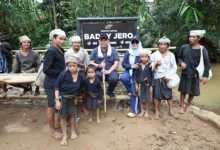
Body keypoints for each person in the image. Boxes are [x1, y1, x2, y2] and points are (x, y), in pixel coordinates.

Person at [178, 30, 211, 113]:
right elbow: (179, 57)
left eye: (193, 37)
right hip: (185, 73)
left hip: (195, 74)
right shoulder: (184, 47)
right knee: (183, 91)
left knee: (192, 91)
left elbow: (207, 63)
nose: (191, 38)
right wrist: (181, 63)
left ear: (198, 38)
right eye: (190, 36)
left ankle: (188, 105)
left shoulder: (202, 49)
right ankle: (181, 105)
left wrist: (205, 75)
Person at [55, 56, 83, 145]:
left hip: (73, 98)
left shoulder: (81, 76)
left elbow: (80, 89)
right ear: (67, 66)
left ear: (78, 66)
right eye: (69, 66)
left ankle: (73, 131)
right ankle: (65, 136)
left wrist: (76, 98)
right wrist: (57, 100)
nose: (72, 68)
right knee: (63, 117)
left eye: (74, 66)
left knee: (72, 115)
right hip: (63, 98)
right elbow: (57, 87)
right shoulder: (63, 74)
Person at [43, 29, 66, 139]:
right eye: (60, 39)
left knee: (59, 103)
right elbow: (46, 69)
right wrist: (63, 72)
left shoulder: (60, 49)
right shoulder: (51, 50)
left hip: (58, 82)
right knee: (51, 106)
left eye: (63, 39)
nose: (62, 41)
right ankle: (52, 130)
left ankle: (58, 124)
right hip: (51, 83)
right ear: (54, 39)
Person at [151, 37, 178, 120]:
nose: (162, 46)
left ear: (167, 46)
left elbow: (174, 67)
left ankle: (171, 111)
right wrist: (156, 65)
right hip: (157, 77)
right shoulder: (154, 54)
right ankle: (156, 111)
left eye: (164, 44)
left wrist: (169, 76)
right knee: (156, 95)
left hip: (167, 77)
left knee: (169, 95)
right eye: (161, 44)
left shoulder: (171, 55)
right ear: (158, 45)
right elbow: (151, 67)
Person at [65, 35, 90, 114]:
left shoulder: (83, 52)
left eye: (78, 43)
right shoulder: (68, 53)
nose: (77, 44)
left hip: (82, 71)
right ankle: (72, 107)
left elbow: (87, 64)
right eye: (75, 42)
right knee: (71, 86)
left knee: (86, 86)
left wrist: (81, 66)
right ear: (72, 43)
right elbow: (65, 66)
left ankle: (84, 106)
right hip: (70, 72)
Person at [90, 33, 119, 97]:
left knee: (114, 78)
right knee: (93, 77)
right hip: (99, 71)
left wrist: (109, 71)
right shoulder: (95, 50)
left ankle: (109, 91)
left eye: (105, 40)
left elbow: (116, 62)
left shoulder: (113, 50)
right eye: (101, 40)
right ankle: (100, 91)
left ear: (108, 41)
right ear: (99, 41)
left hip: (110, 71)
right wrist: (98, 65)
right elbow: (91, 63)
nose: (103, 42)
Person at [120, 36, 141, 117]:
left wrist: (138, 66)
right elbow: (123, 64)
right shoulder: (128, 52)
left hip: (138, 73)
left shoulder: (142, 52)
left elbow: (146, 62)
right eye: (133, 42)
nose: (135, 44)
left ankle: (135, 111)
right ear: (131, 44)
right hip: (129, 71)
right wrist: (131, 66)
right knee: (123, 78)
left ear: (139, 43)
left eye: (136, 42)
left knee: (134, 88)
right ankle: (132, 91)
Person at [134, 49, 154, 118]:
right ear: (140, 58)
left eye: (145, 56)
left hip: (147, 85)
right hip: (140, 85)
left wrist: (151, 86)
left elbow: (152, 76)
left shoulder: (150, 66)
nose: (144, 58)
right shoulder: (137, 66)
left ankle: (147, 112)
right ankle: (142, 111)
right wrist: (136, 84)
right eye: (142, 56)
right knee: (141, 98)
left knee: (147, 99)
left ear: (148, 57)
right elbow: (135, 76)